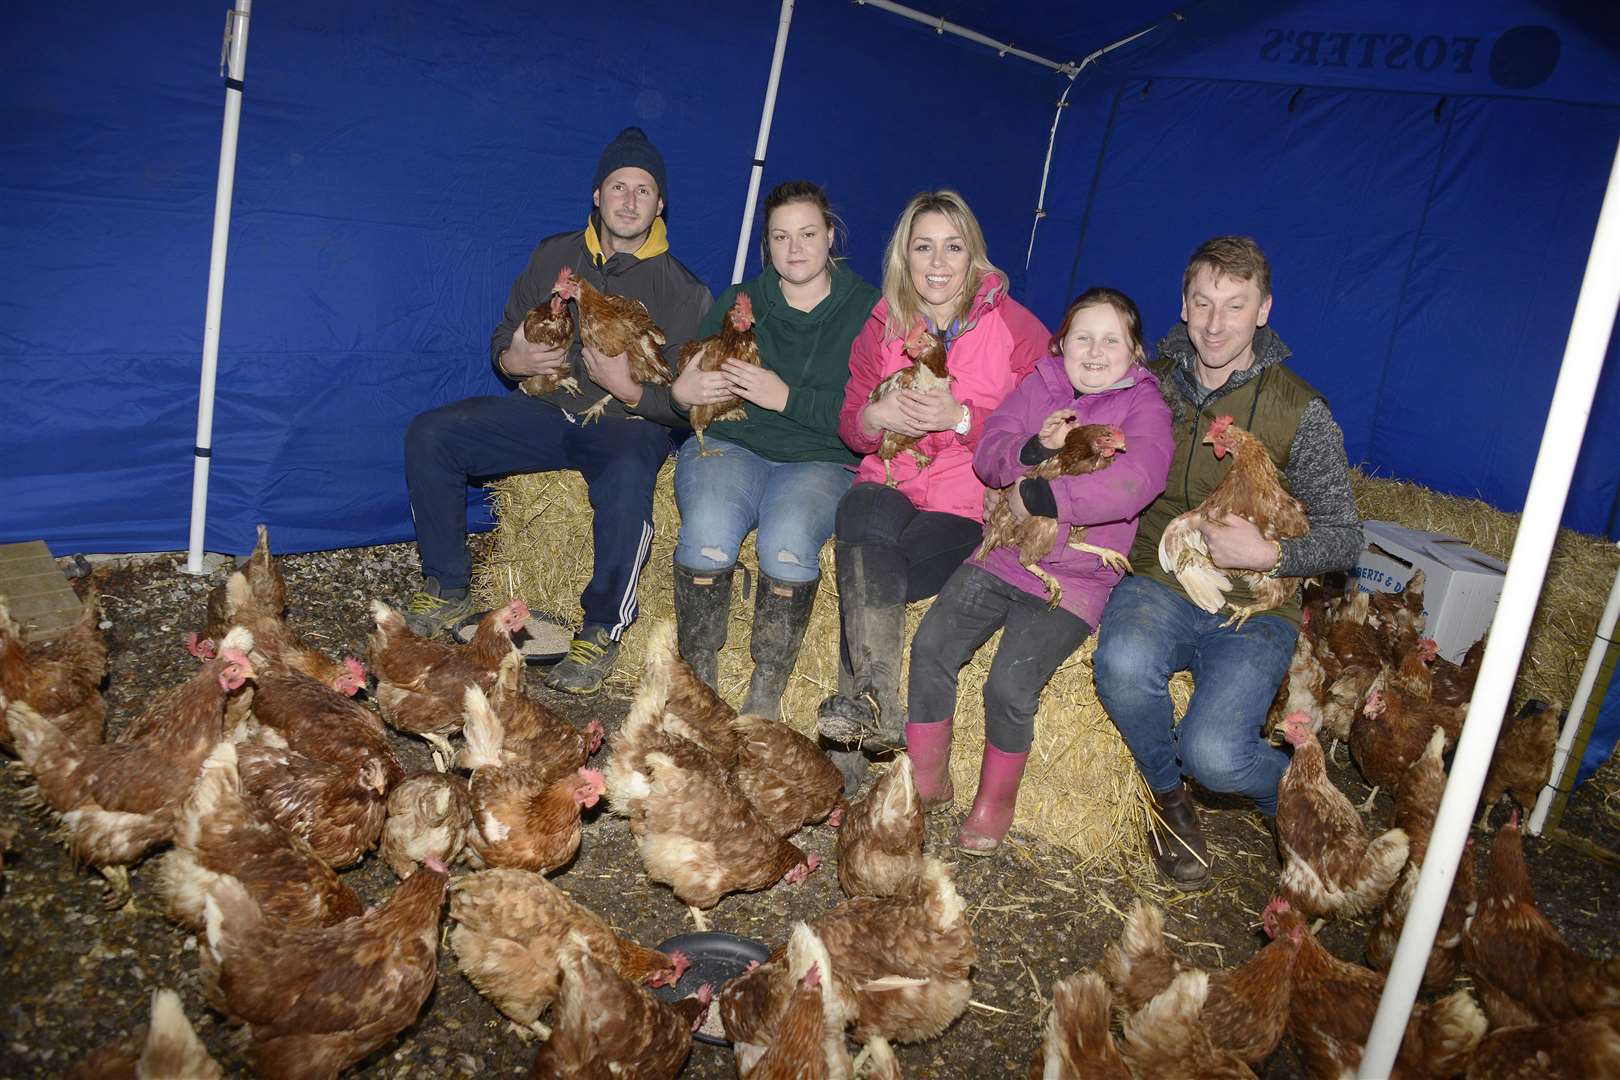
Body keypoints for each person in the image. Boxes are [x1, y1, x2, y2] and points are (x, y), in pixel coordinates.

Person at [1092, 235, 1363, 890]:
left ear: (1263, 310)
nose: (1215, 324)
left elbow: (1347, 537)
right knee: (1123, 665)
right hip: (1160, 577)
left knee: (1214, 754)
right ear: (1183, 304)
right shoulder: (1142, 382)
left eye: (1235, 306)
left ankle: (1294, 795)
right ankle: (1167, 799)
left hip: (1256, 602)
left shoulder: (1302, 411)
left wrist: (1273, 552)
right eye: (1203, 303)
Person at [402, 127, 711, 695]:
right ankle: (448, 583)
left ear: (660, 204)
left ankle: (601, 630)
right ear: (597, 194)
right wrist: (513, 357)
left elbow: (689, 403)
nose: (629, 200)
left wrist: (632, 391)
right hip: (547, 410)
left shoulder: (685, 290)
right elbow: (505, 330)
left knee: (626, 480)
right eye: (618, 186)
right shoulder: (555, 254)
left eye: (643, 190)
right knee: (431, 434)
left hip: (629, 425)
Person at [906, 288, 1173, 853]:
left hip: (1076, 578)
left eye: (1111, 341)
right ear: (1061, 343)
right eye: (1082, 338)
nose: (1095, 353)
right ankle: (926, 782)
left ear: (1136, 352)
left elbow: (1138, 480)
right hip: (1003, 553)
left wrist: (1048, 500)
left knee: (1010, 684)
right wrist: (1033, 447)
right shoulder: (1041, 385)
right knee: (931, 646)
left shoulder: (1145, 406)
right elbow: (989, 452)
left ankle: (994, 802)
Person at [815, 190, 1051, 785]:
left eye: (953, 247)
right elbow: (851, 426)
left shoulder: (1019, 331)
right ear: (905, 257)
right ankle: (879, 704)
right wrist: (874, 418)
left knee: (869, 574)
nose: (938, 262)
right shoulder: (882, 323)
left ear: (974, 256)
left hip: (967, 502)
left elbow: (1036, 448)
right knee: (860, 513)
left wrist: (961, 418)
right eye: (924, 247)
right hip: (889, 480)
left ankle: (853, 739)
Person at [667, 181, 880, 718]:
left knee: (786, 543)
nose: (795, 248)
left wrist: (784, 397)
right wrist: (681, 392)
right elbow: (690, 375)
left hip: (823, 455)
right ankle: (700, 687)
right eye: (781, 236)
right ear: (767, 244)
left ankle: (765, 689)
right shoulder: (743, 301)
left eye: (808, 233)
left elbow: (869, 417)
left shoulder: (869, 311)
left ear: (830, 235)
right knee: (708, 534)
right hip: (730, 442)